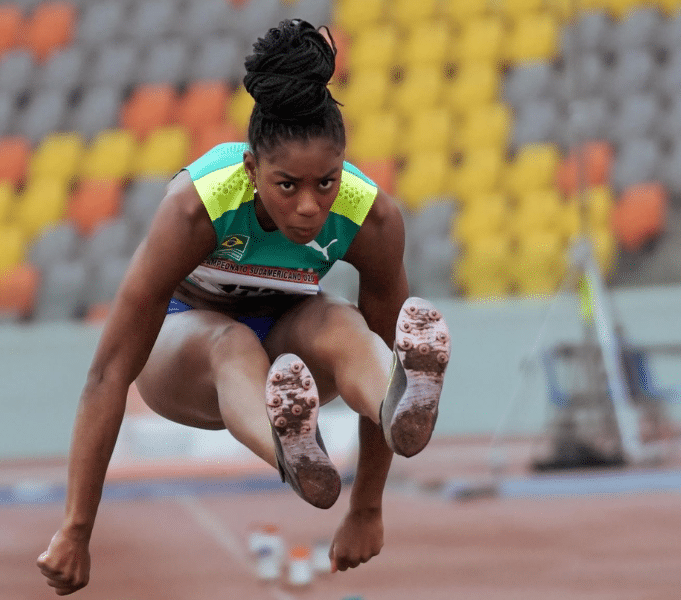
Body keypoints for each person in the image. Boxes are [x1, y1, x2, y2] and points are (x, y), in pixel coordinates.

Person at [37, 20, 452, 596]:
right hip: (185, 358)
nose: (310, 207)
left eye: (326, 183)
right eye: (288, 186)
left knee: (343, 323)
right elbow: (109, 372)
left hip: (291, 344)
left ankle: (396, 403)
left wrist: (367, 509)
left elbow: (380, 333)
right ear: (252, 170)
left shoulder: (370, 217)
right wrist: (75, 529)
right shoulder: (196, 208)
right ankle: (292, 451)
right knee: (229, 343)